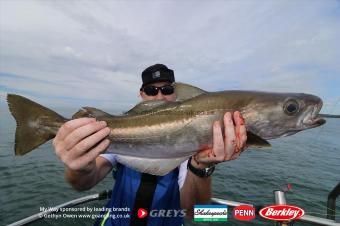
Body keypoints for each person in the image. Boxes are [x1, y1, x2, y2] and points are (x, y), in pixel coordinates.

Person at [53, 64, 247, 226]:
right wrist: (79, 166)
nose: (160, 96)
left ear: (176, 95)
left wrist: (201, 167)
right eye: (151, 90)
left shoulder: (195, 142)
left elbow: (191, 212)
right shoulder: (117, 130)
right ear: (141, 94)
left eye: (167, 89)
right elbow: (81, 183)